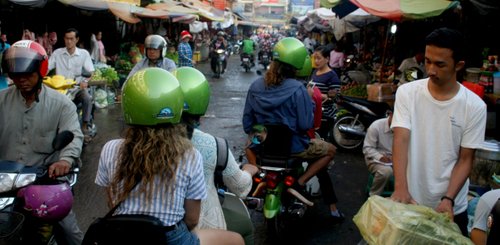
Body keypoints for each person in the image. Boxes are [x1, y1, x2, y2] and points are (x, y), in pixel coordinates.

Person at [95, 67, 243, 245]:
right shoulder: (190, 155)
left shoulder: (109, 149)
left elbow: (112, 202)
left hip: (121, 235)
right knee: (236, 240)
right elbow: (192, 219)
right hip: (170, 238)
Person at [390, 27, 487, 236]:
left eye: (440, 64)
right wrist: (400, 188)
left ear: (458, 65)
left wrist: (448, 199)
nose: (431, 70)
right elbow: (401, 140)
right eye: (427, 61)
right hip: (409, 199)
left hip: (451, 207)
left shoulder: (475, 106)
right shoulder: (408, 93)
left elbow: (465, 159)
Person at [242, 37, 344, 223]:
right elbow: (306, 125)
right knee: (330, 150)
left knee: (248, 145)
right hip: (294, 148)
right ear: (297, 65)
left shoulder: (256, 85)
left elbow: (247, 124)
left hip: (262, 148)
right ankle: (300, 182)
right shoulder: (299, 89)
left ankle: (256, 175)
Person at [0, 40, 84, 245]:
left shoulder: (62, 104)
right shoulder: (1, 100)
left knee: (70, 233)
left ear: (41, 71)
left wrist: (65, 160)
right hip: (3, 182)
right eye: (16, 75)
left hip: (43, 182)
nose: (22, 80)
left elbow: (73, 135)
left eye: (27, 74)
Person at [174, 67, 258, 244]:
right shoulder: (211, 146)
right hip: (195, 229)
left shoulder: (124, 148)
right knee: (244, 229)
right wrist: (249, 171)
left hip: (145, 230)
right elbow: (240, 187)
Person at [48, 28, 95, 144]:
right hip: (60, 90)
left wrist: (85, 81)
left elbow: (91, 72)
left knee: (87, 98)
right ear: (63, 39)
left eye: (71, 39)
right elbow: (47, 68)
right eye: (66, 38)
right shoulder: (57, 53)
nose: (68, 41)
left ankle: (85, 127)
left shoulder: (84, 54)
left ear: (77, 40)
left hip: (76, 89)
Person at [311, 45, 341, 139]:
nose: (316, 61)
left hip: (325, 115)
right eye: (314, 58)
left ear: (327, 59)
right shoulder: (314, 72)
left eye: (319, 58)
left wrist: (317, 95)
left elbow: (336, 98)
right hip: (313, 112)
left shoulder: (332, 76)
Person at [362, 110, 394, 196]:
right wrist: (380, 157)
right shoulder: (376, 126)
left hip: (395, 159)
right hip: (375, 159)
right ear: (390, 114)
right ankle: (373, 196)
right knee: (386, 172)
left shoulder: (405, 129)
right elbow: (367, 148)